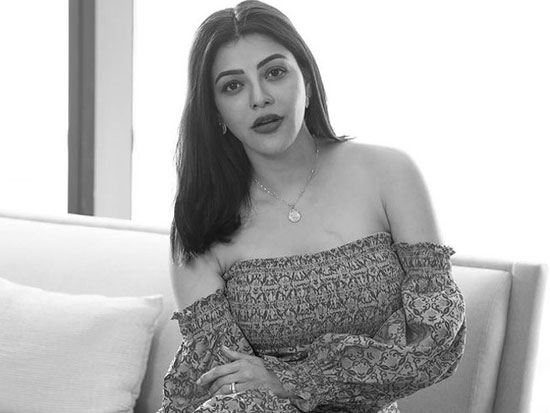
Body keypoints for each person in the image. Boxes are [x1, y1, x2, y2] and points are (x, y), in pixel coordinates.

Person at [158, 1, 466, 412]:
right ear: (215, 112)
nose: (260, 98)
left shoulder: (389, 174)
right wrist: (281, 387)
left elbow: (434, 341)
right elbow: (231, 387)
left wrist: (292, 379)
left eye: (274, 72)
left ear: (305, 77)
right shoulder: (200, 223)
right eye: (233, 86)